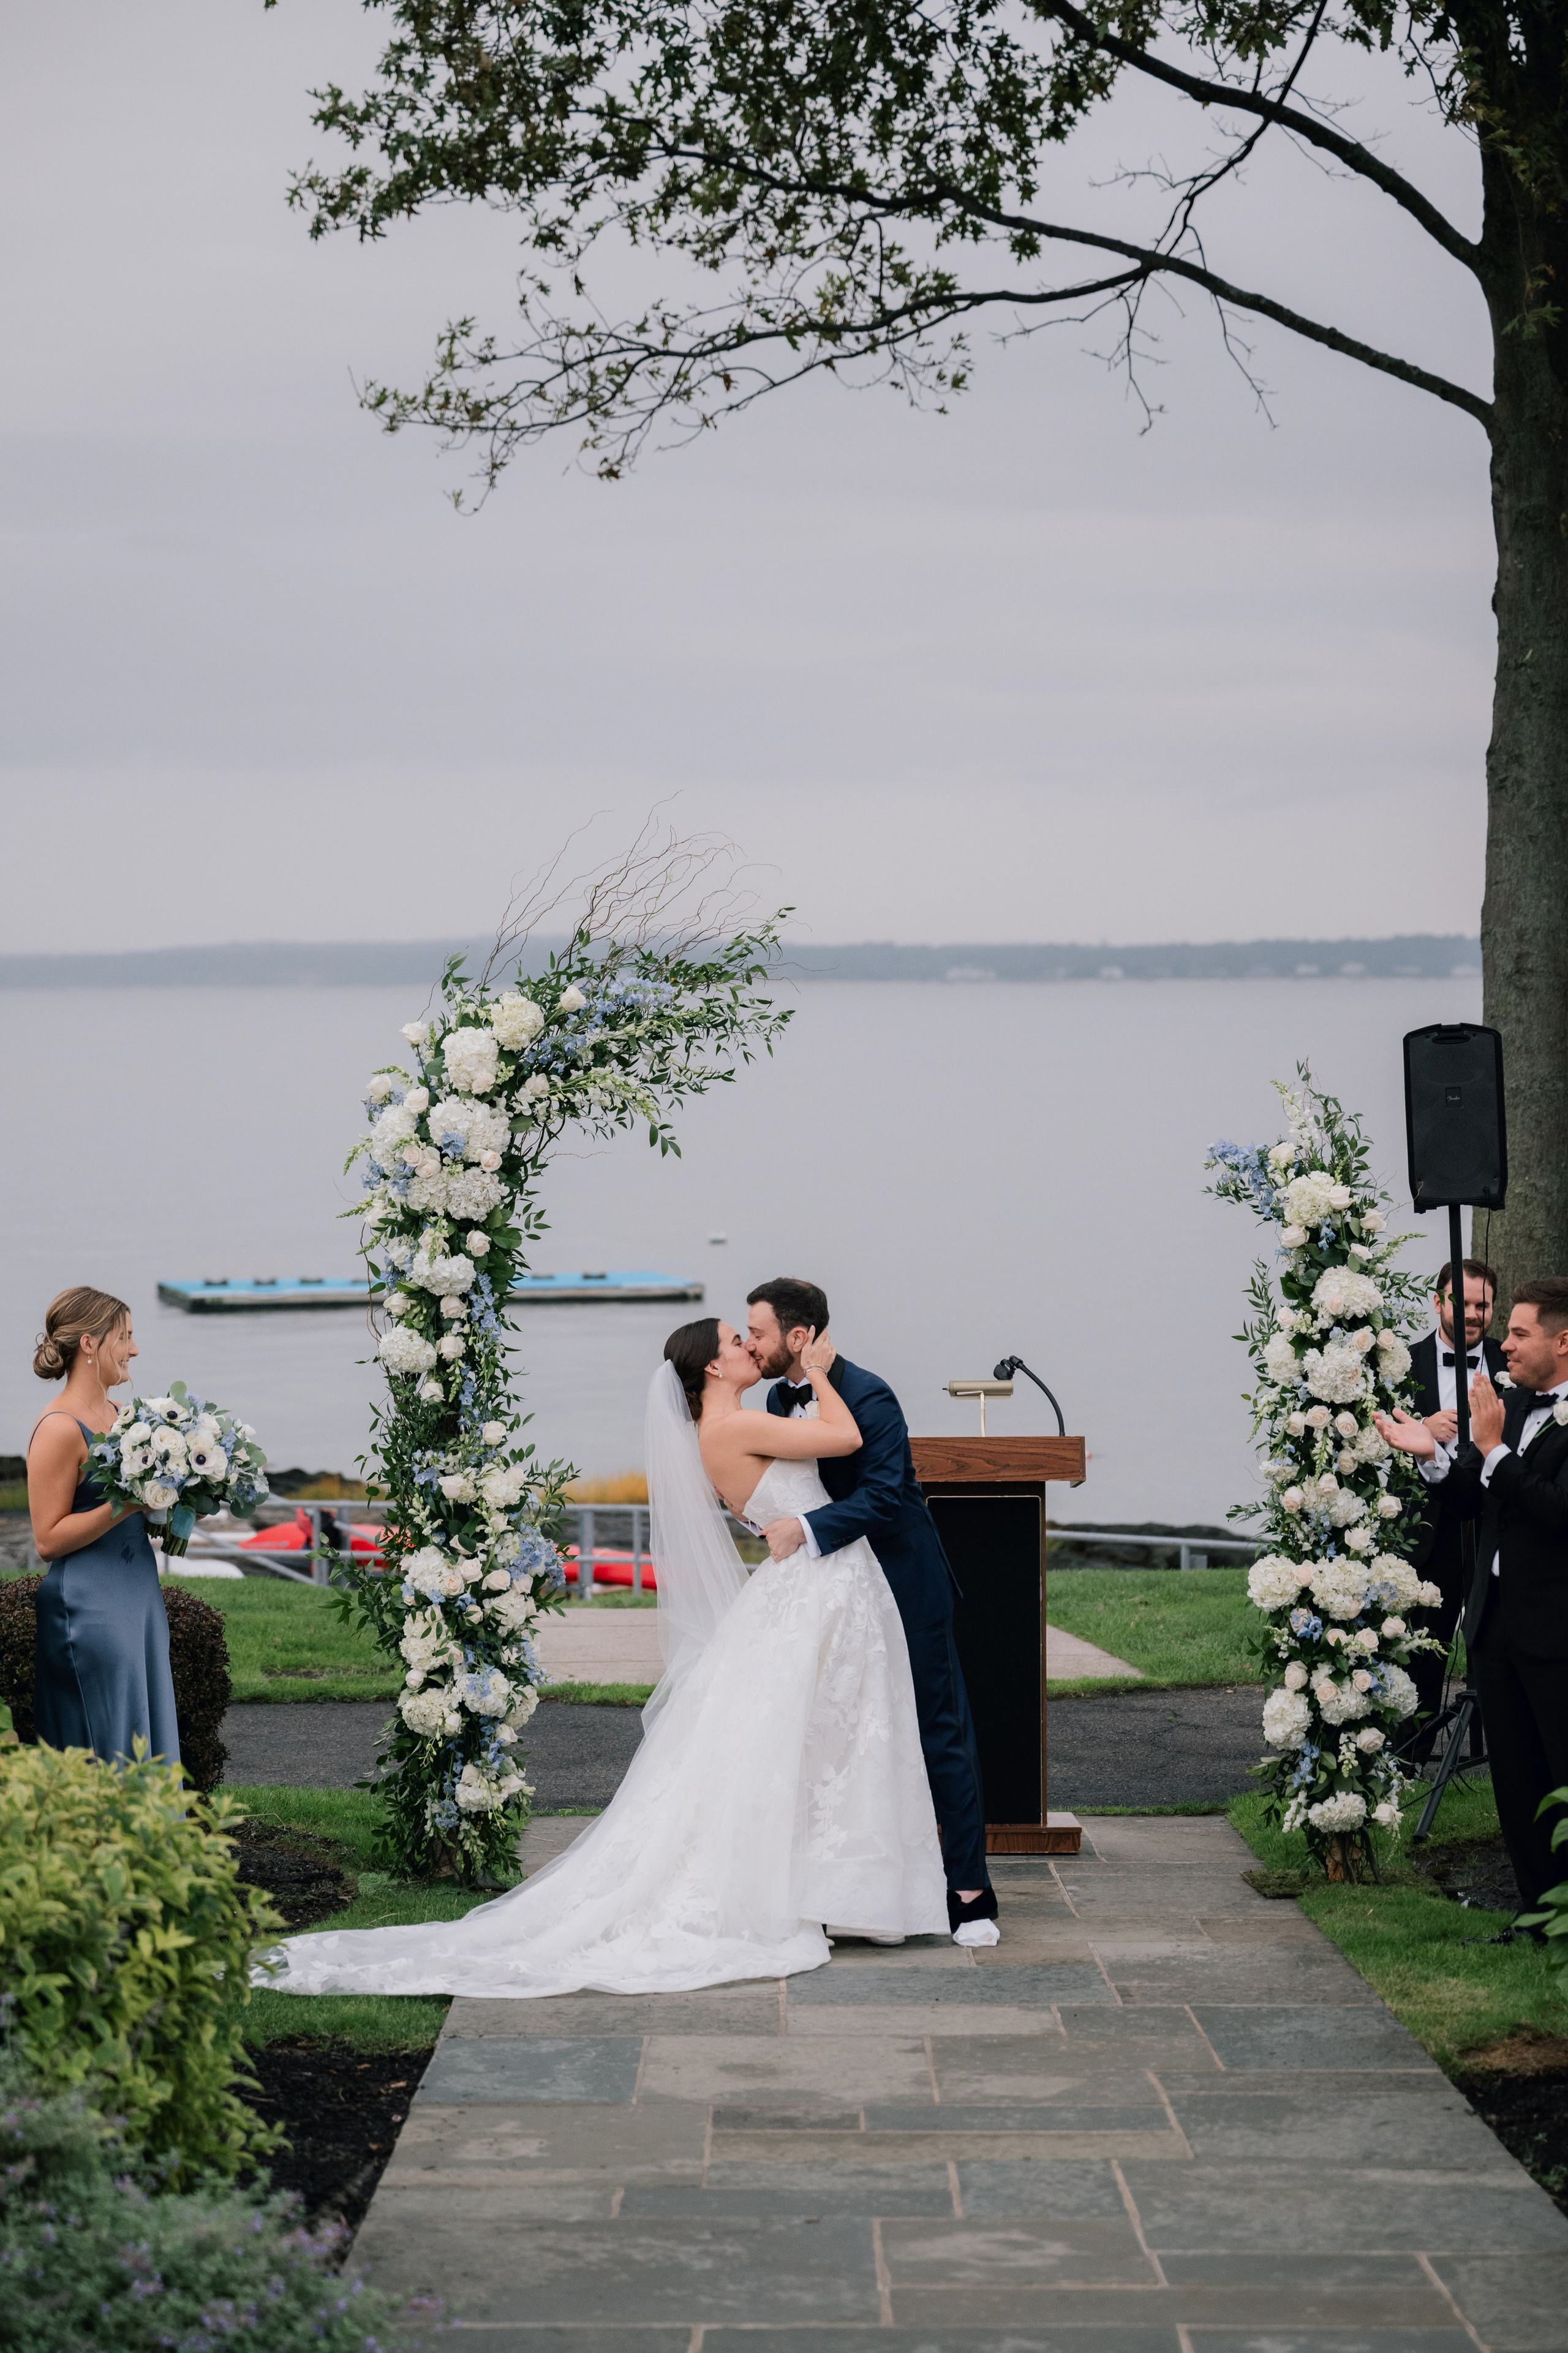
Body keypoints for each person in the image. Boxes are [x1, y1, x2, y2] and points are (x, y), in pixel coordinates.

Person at [259, 1318, 949, 1999]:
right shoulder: (732, 1427)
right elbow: (846, 1437)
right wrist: (823, 1373)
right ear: (712, 1366)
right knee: (811, 1739)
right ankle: (823, 1891)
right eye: (736, 1341)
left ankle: (831, 1888)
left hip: (809, 1590)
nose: (749, 1346)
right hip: (806, 1591)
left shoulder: (728, 1424)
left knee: (802, 1742)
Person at [746, 1277, 998, 1941]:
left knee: (937, 1731)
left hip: (902, 1581)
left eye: (761, 1334)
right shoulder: (776, 1397)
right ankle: (849, 1891)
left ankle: (971, 1894)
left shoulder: (871, 1394)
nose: (753, 1345)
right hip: (832, 1595)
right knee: (843, 1739)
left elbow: (886, 1496)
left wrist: (804, 1527)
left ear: (799, 1337)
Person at [1376, 1280, 1568, 1922]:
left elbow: (1555, 1510)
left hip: (1554, 1629)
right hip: (1492, 1625)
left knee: (1559, 1778)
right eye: (1505, 1330)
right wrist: (1433, 1458)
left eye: (1518, 1333)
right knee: (1514, 1785)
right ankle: (1534, 1915)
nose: (1503, 1345)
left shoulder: (1508, 1424)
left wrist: (1491, 1451)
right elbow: (1475, 1501)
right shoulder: (1509, 1405)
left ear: (1562, 1340)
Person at [28, 1286, 179, 1770]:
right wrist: (128, 1504)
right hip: (90, 1606)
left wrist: (173, 1505)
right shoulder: (58, 1427)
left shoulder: (120, 1418)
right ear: (90, 1344)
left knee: (147, 1727)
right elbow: (47, 1538)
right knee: (111, 1737)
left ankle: (154, 1841)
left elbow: (134, 1514)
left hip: (138, 1595)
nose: (134, 1349)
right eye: (125, 1337)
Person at [1401, 1258, 1506, 1758]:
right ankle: (1414, 1751)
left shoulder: (1512, 1363)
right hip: (1431, 1530)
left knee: (1497, 1638)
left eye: (1482, 1304)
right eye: (1462, 1302)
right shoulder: (1403, 1360)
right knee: (1426, 1642)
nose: (1472, 1313)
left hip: (1495, 1525)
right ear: (1438, 1301)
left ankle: (1503, 1752)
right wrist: (1423, 1428)